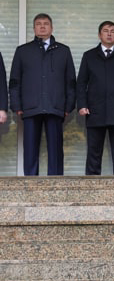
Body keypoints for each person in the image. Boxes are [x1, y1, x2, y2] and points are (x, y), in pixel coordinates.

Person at [9, 13, 76, 176]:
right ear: (34, 28)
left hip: (56, 106)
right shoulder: (23, 51)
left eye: (46, 23)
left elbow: (71, 82)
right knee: (30, 149)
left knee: (55, 149)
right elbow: (14, 81)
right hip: (30, 107)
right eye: (38, 24)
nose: (42, 26)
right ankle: (30, 186)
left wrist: (68, 106)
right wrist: (17, 106)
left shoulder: (63, 51)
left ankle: (56, 185)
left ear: (52, 28)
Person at [76, 21, 114, 175]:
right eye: (106, 31)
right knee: (94, 151)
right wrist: (82, 105)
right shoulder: (89, 55)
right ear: (99, 35)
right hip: (94, 110)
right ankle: (92, 187)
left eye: (113, 31)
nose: (109, 34)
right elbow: (81, 82)